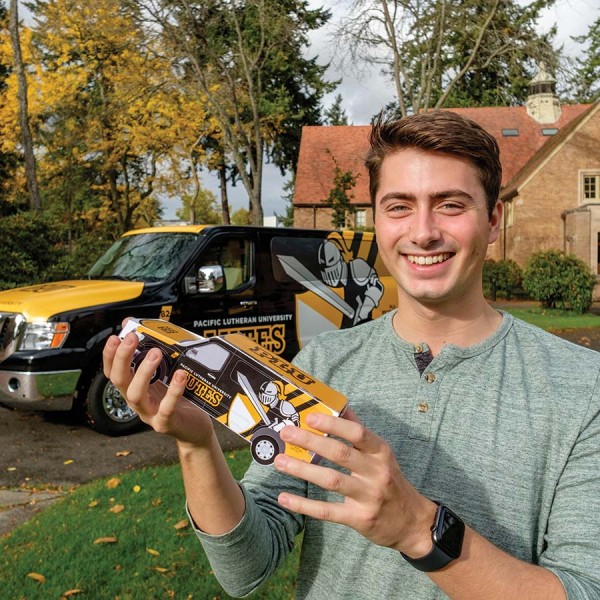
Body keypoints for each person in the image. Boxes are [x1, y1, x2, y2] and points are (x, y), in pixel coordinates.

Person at [103, 110, 600, 599]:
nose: (422, 231)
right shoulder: (324, 363)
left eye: (450, 205)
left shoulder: (582, 387)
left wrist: (418, 530)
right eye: (399, 206)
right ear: (378, 221)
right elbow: (247, 568)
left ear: (493, 220)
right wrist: (196, 445)